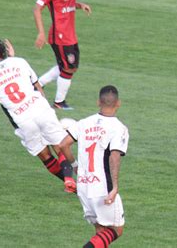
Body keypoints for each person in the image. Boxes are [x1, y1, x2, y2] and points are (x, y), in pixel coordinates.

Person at [0, 38, 75, 192]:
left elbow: (1, 71)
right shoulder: (20, 62)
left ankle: (76, 189)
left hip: (22, 120)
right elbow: (37, 86)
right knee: (60, 146)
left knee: (45, 156)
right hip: (39, 108)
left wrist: (10, 59)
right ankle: (69, 178)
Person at [59, 85, 129, 248]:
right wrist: (115, 187)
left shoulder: (83, 123)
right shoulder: (119, 128)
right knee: (117, 229)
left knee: (100, 230)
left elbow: (63, 145)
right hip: (103, 187)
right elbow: (114, 156)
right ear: (118, 103)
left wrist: (75, 165)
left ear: (98, 102)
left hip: (84, 185)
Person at [33, 0, 92, 110]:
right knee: (69, 68)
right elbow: (37, 8)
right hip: (59, 36)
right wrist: (41, 33)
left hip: (70, 34)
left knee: (65, 66)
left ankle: (38, 84)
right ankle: (59, 103)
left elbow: (68, 4)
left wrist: (80, 5)